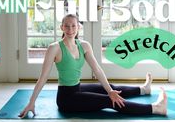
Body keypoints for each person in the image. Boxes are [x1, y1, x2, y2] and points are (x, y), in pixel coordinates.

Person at [19, 14, 167, 118]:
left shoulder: (84, 45)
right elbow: (43, 78)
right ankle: (155, 109)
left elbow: (97, 69)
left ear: (78, 27)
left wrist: (109, 90)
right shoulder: (54, 48)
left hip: (77, 88)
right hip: (67, 99)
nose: (70, 30)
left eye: (73, 26)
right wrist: (31, 103)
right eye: (67, 26)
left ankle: (143, 90)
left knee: (110, 88)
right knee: (111, 100)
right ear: (61, 27)